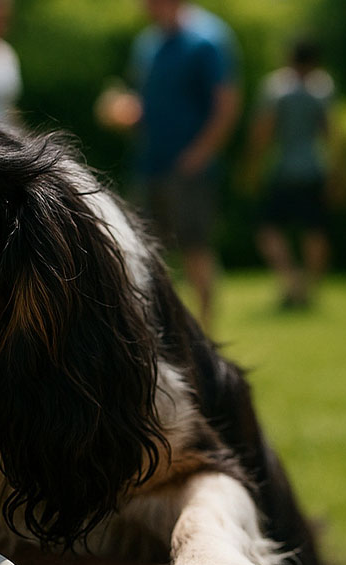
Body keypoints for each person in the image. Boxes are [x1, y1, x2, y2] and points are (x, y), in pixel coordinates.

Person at [97, 0, 240, 331]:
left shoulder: (209, 39)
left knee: (195, 248)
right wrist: (126, 113)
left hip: (190, 168)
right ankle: (156, 330)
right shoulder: (147, 43)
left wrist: (200, 154)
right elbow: (147, 106)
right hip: (149, 165)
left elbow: (227, 104)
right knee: (142, 251)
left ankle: (206, 333)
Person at [245, 39, 345, 309]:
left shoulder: (277, 88)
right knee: (315, 231)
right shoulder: (323, 88)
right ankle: (308, 290)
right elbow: (333, 135)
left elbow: (263, 130)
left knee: (268, 230)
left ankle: (290, 281)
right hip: (314, 168)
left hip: (283, 169)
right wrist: (339, 174)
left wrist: (252, 165)